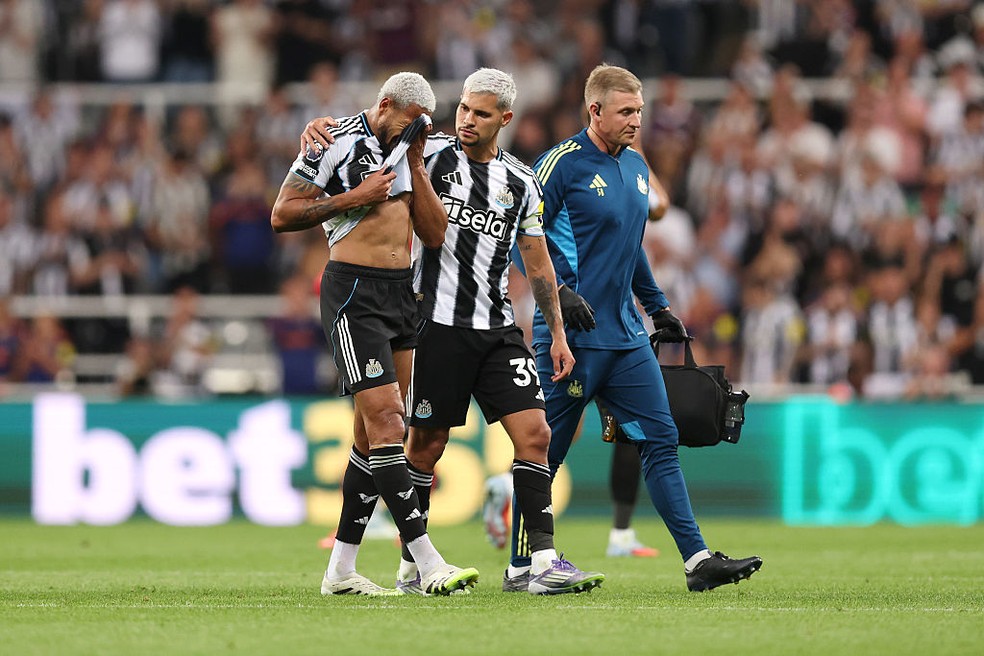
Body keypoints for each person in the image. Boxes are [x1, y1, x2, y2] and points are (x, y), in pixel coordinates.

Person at [301, 68, 604, 596]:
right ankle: (411, 566)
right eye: (463, 108)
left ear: (504, 119)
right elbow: (367, 135)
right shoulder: (426, 153)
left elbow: (538, 266)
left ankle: (541, 563)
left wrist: (556, 334)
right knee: (423, 447)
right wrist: (317, 130)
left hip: (496, 326)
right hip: (432, 324)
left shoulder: (521, 182)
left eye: (481, 113)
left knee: (536, 435)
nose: (467, 120)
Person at [507, 64, 763, 592]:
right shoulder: (559, 165)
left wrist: (659, 306)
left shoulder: (639, 169)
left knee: (661, 438)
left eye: (639, 112)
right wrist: (561, 293)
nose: (635, 121)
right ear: (593, 110)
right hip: (569, 337)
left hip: (625, 337)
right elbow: (518, 236)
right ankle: (521, 566)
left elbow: (632, 248)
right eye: (625, 112)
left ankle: (697, 562)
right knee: (543, 452)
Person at [271, 71, 479, 597]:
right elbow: (283, 213)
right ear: (384, 105)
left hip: (401, 294)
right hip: (352, 293)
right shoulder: (332, 140)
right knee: (386, 420)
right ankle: (427, 561)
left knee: (374, 434)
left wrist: (417, 154)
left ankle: (340, 571)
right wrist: (353, 197)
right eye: (407, 126)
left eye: (419, 129)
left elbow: (434, 234)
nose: (410, 135)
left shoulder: (420, 148)